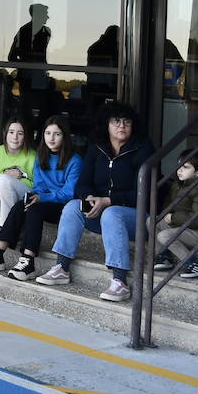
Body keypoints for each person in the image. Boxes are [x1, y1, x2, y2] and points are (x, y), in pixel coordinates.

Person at [36, 102, 154, 302]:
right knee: (73, 206)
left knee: (112, 212)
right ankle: (62, 267)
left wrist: (108, 200)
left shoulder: (143, 149)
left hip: (136, 217)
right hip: (101, 214)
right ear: (106, 125)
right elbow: (83, 184)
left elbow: (144, 193)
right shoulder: (96, 148)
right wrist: (88, 198)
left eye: (126, 122)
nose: (121, 126)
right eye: (116, 121)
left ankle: (120, 281)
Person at [0, 114, 81, 281]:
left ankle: (28, 261)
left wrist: (41, 198)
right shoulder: (41, 156)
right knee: (20, 204)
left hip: (62, 206)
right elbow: (38, 185)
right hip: (43, 200)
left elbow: (68, 193)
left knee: (34, 208)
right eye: (47, 133)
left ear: (64, 137)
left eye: (57, 134)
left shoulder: (75, 160)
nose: (51, 138)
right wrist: (34, 196)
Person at [153, 149, 198, 279]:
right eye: (179, 166)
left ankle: (194, 264)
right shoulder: (179, 186)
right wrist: (167, 215)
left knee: (164, 236)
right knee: (152, 222)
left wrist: (173, 218)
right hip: (184, 228)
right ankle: (164, 257)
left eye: (185, 167)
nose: (179, 170)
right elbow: (169, 206)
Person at [8, 3, 57, 123]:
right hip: (28, 80)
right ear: (37, 15)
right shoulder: (24, 31)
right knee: (26, 113)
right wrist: (27, 66)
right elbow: (12, 56)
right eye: (45, 14)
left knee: (42, 112)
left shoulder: (46, 31)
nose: (47, 17)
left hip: (39, 78)